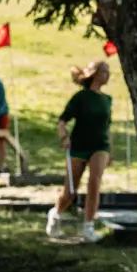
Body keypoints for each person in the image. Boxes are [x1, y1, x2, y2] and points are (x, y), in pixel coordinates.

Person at [47, 60, 114, 243]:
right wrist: (64, 137)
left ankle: (88, 227)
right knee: (70, 191)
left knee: (94, 184)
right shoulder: (81, 98)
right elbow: (62, 121)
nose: (108, 74)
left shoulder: (107, 100)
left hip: (100, 146)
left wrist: (111, 150)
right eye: (105, 71)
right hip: (78, 146)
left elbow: (107, 126)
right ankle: (55, 214)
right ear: (95, 73)